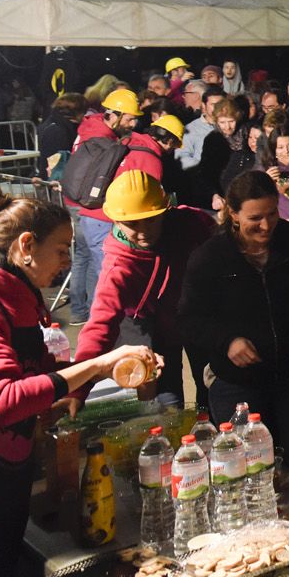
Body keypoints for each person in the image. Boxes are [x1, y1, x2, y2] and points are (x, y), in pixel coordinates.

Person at [0, 187, 158, 577]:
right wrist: (94, 366)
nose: (67, 262)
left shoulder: (16, 295)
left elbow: (29, 377)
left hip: (4, 481)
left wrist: (81, 385)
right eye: (60, 249)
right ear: (26, 245)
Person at [178, 171, 289, 466]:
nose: (266, 225)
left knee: (287, 464)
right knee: (244, 469)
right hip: (236, 384)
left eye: (272, 214)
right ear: (233, 214)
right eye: (255, 218)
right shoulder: (210, 257)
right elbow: (188, 318)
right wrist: (227, 342)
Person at [74, 172, 215, 407]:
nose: (143, 231)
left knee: (212, 389)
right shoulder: (118, 267)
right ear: (115, 221)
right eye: (132, 224)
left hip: (194, 313)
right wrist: (77, 390)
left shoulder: (191, 222)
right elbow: (99, 327)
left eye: (151, 219)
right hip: (147, 326)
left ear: (164, 210)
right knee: (165, 402)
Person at [65, 86, 164, 327]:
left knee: (84, 259)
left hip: (78, 206)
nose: (133, 124)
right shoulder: (104, 140)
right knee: (103, 272)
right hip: (93, 209)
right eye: (129, 118)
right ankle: (100, 320)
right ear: (114, 115)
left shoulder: (89, 128)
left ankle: (80, 312)